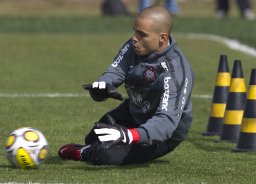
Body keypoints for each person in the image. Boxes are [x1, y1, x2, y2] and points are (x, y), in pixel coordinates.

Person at [58, 5, 194, 165]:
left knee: (104, 154)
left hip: (162, 135)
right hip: (134, 111)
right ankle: (92, 147)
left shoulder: (175, 72)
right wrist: (102, 86)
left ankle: (83, 152)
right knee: (95, 136)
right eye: (135, 31)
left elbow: (165, 122)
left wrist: (129, 135)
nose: (135, 38)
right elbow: (115, 71)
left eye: (142, 34)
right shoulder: (133, 46)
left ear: (162, 38)